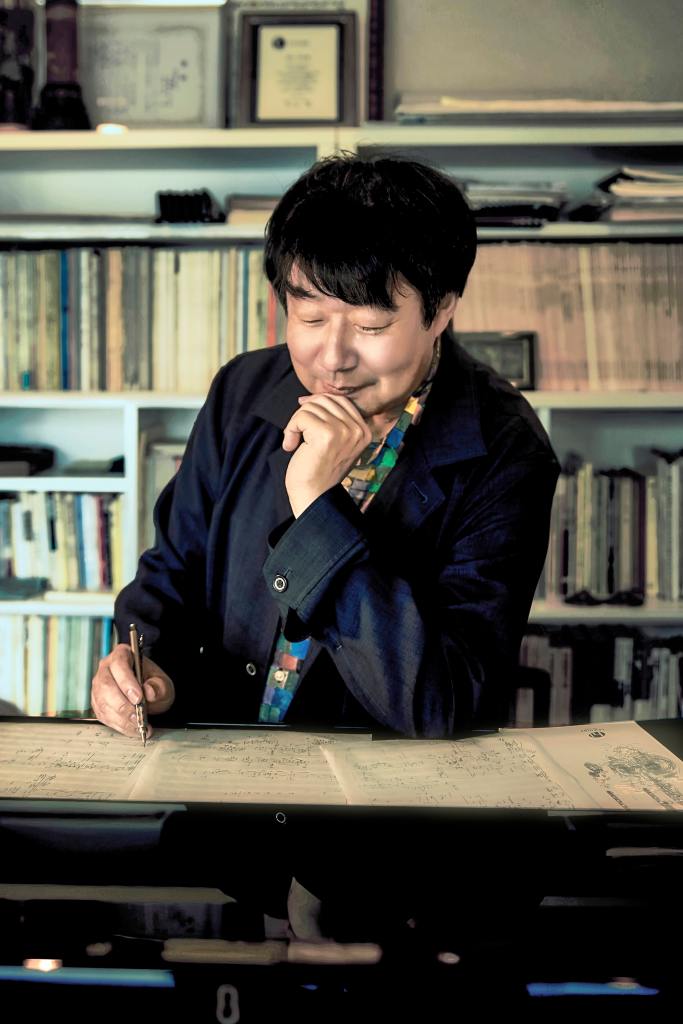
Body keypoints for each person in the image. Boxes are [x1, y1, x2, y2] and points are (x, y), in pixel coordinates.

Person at [91, 152, 560, 940]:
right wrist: (145, 667)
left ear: (441, 309)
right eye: (308, 317)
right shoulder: (244, 391)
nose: (331, 357)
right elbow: (170, 576)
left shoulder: (502, 450)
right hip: (226, 826)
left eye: (370, 326)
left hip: (394, 863)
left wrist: (316, 503)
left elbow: (438, 702)